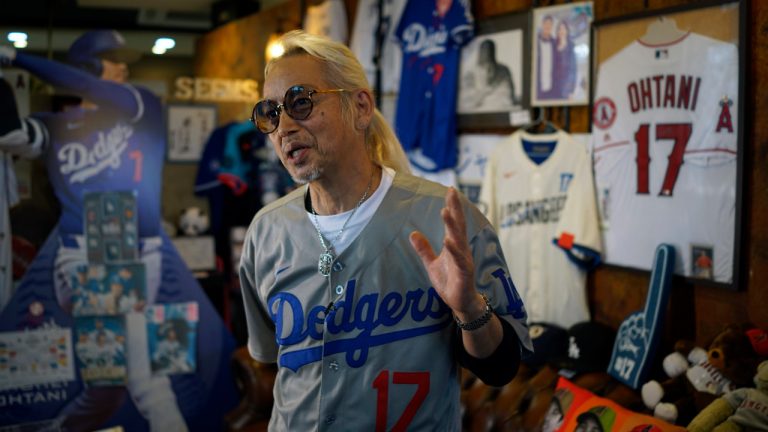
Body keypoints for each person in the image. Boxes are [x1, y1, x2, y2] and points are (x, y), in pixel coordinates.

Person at [239, 30, 532, 431]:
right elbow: (276, 361)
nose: (284, 126)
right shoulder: (266, 231)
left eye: (301, 102)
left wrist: (470, 308)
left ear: (359, 107)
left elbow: (502, 368)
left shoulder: (443, 218)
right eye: (270, 113)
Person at [0, 30, 237, 432]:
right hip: (81, 259)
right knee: (148, 380)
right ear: (88, 67)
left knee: (107, 389)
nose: (124, 67)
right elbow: (10, 136)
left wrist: (15, 58)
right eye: (113, 59)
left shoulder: (141, 107)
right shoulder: (58, 126)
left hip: (143, 256)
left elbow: (87, 87)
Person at [460, 38, 518, 112]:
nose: (487, 53)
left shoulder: (503, 70)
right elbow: (467, 100)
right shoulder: (470, 73)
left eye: (490, 50)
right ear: (480, 52)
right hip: (478, 110)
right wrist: (485, 91)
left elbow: (507, 96)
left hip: (499, 108)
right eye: (484, 50)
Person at [552, 19, 577, 99]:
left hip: (566, 86)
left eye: (563, 28)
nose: (561, 31)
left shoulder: (571, 46)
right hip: (554, 85)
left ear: (567, 31)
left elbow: (573, 70)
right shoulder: (553, 45)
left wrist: (571, 91)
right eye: (559, 28)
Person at [536, 14, 556, 100]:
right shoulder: (535, 42)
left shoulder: (555, 43)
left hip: (552, 88)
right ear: (542, 24)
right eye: (546, 23)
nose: (548, 26)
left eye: (550, 24)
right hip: (538, 89)